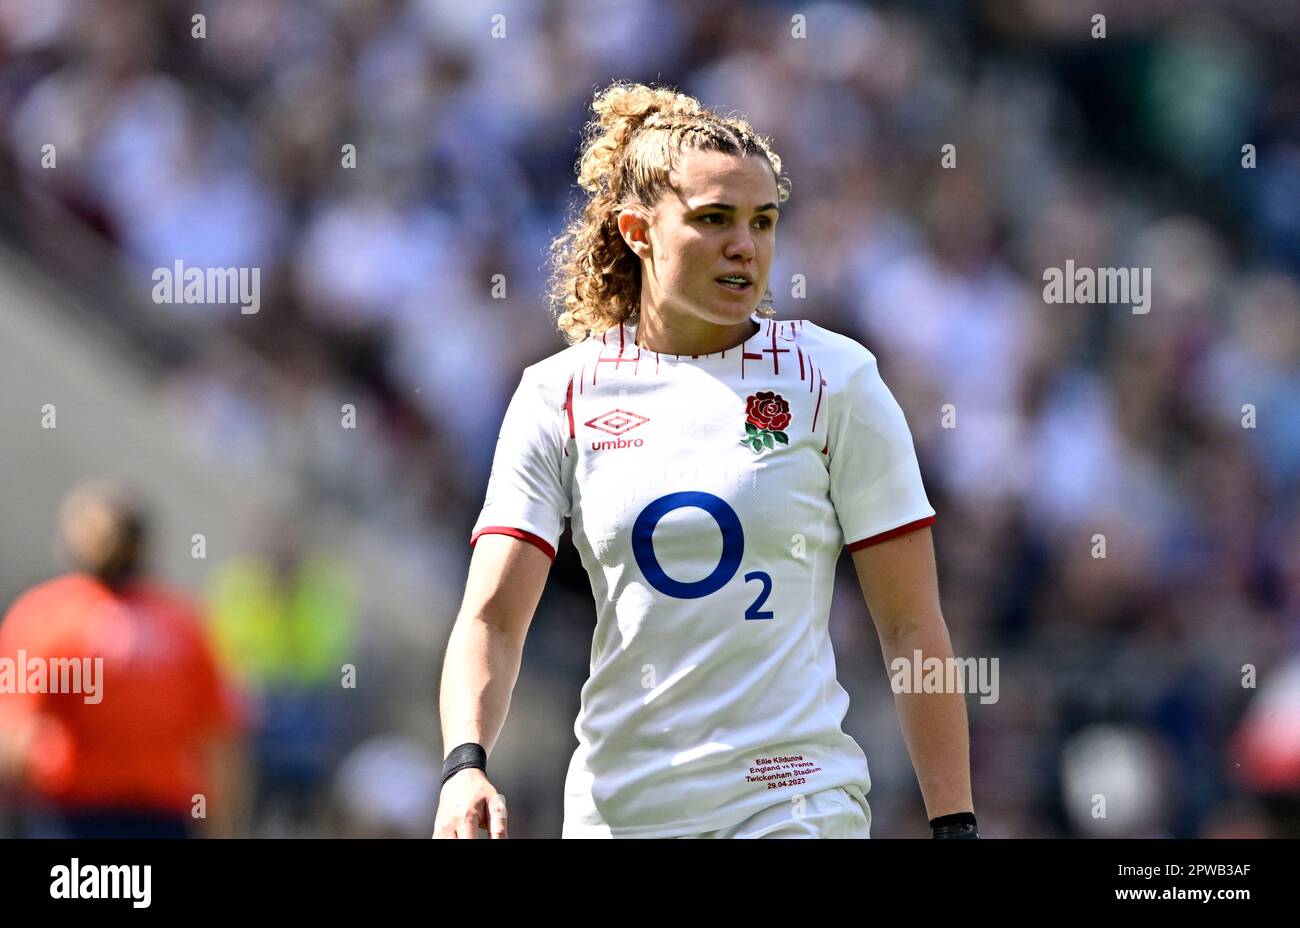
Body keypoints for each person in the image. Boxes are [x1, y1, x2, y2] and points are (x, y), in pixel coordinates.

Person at [435, 81, 976, 839]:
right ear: (638, 231)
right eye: (713, 219)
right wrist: (465, 764)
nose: (744, 246)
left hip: (792, 800)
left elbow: (912, 625)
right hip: (620, 808)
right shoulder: (557, 393)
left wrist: (955, 824)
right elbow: (492, 620)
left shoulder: (834, 379)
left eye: (762, 222)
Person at [0, 477, 247, 838]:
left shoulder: (45, 615)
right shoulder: (182, 623)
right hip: (140, 815)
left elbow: (15, 741)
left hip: (80, 813)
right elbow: (219, 744)